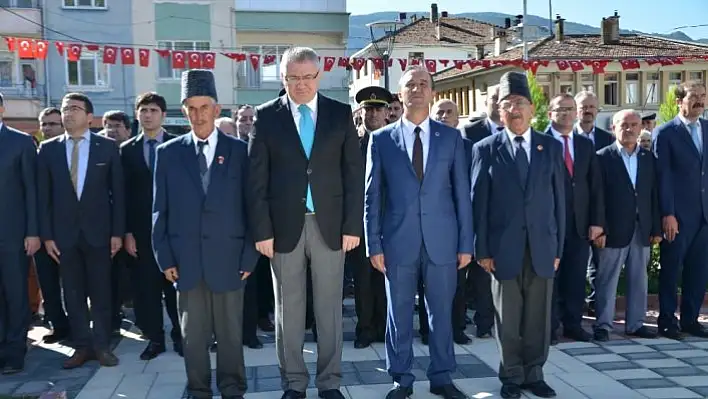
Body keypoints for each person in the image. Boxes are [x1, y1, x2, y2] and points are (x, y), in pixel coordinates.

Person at [247, 47, 363, 399]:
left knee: (330, 310)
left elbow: (353, 175)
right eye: (292, 78)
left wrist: (352, 226)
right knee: (289, 311)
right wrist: (262, 231)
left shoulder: (340, 115)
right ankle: (294, 384)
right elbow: (256, 181)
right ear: (283, 77)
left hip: (330, 227)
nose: (299, 85)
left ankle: (330, 383)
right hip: (283, 230)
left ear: (320, 75)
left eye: (306, 77)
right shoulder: (266, 117)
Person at [365, 66, 473, 399]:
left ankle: (442, 376)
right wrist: (373, 244)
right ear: (400, 93)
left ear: (432, 92)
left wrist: (466, 243)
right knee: (398, 314)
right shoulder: (381, 139)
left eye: (423, 84)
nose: (416, 89)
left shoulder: (452, 137)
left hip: (443, 240)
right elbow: (372, 195)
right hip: (397, 242)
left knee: (441, 313)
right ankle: (401, 378)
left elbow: (461, 195)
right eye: (410, 84)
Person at [152, 69, 259, 398]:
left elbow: (252, 208)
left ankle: (232, 388)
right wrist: (164, 257)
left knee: (229, 334)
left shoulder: (240, 152)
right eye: (191, 108)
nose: (198, 115)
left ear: (217, 109)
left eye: (204, 107)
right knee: (193, 336)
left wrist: (249, 256)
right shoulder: (168, 153)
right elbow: (159, 210)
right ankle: (198, 390)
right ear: (184, 111)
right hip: (186, 261)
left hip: (229, 259)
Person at [470, 71, 564, 399]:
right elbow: (478, 205)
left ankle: (534, 373)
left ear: (532, 109)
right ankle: (511, 376)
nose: (515, 110)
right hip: (502, 250)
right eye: (508, 104)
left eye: (521, 103)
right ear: (500, 111)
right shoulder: (485, 149)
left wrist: (558, 247)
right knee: (507, 317)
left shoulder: (549, 147)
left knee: (538, 316)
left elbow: (559, 204)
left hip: (541, 247)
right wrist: (481, 249)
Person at [37, 92, 125, 369]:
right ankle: (81, 347)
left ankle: (101, 346)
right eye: (65, 109)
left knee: (101, 293)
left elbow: (118, 194)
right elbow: (44, 196)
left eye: (74, 109)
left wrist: (117, 233)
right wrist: (47, 235)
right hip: (63, 237)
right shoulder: (49, 149)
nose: (68, 114)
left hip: (99, 234)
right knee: (72, 294)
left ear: (89, 117)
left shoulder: (107, 147)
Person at [121, 92, 182, 360]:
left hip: (173, 231)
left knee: (176, 289)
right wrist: (126, 232)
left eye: (153, 110)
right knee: (146, 290)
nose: (148, 114)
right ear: (137, 114)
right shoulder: (127, 150)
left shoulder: (179, 145)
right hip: (141, 233)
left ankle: (181, 337)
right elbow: (121, 194)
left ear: (163, 115)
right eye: (143, 110)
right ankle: (155, 339)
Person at [592, 109, 660, 341]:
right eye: (624, 124)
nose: (629, 129)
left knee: (639, 279)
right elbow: (597, 197)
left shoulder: (648, 157)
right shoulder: (602, 157)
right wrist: (599, 227)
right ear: (613, 128)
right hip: (613, 230)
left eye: (634, 124)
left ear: (641, 128)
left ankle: (636, 324)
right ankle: (603, 325)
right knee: (607, 280)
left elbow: (653, 195)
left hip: (641, 229)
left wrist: (656, 229)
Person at [545, 94, 604, 344]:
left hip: (580, 224)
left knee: (576, 276)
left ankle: (573, 324)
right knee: (550, 279)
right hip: (550, 223)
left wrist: (597, 221)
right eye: (561, 109)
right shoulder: (541, 142)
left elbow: (595, 186)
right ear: (550, 114)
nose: (566, 114)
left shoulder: (584, 144)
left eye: (570, 109)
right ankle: (549, 328)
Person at [653, 80, 708, 339]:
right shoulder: (665, 133)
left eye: (702, 96)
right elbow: (663, 177)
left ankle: (690, 320)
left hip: (704, 216)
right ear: (679, 101)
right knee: (671, 270)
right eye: (693, 96)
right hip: (678, 217)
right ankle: (667, 320)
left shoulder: (707, 129)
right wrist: (668, 213)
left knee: (698, 271)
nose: (699, 101)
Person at [0, 92, 40, 374]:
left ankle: (14, 351)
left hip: (13, 234)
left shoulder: (20, 142)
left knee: (15, 294)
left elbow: (32, 192)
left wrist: (33, 232)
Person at [457, 87, 502, 339]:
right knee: (480, 274)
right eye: (493, 99)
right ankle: (483, 322)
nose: (497, 104)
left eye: (501, 99)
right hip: (477, 211)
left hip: (507, 217)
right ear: (486, 102)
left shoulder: (519, 132)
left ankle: (504, 321)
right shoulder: (472, 133)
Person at [350, 85, 391, 349]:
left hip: (389, 222)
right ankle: (365, 328)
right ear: (361, 112)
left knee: (386, 279)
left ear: (387, 112)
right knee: (362, 280)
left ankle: (384, 327)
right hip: (358, 224)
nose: (373, 114)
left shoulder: (395, 142)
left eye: (378, 109)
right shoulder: (351, 144)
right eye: (368, 109)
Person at [34, 107, 70, 344]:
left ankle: (78, 325)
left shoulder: (68, 152)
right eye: (44, 124)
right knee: (48, 283)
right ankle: (58, 325)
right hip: (38, 231)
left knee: (72, 284)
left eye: (53, 124)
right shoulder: (33, 152)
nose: (47, 129)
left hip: (67, 231)